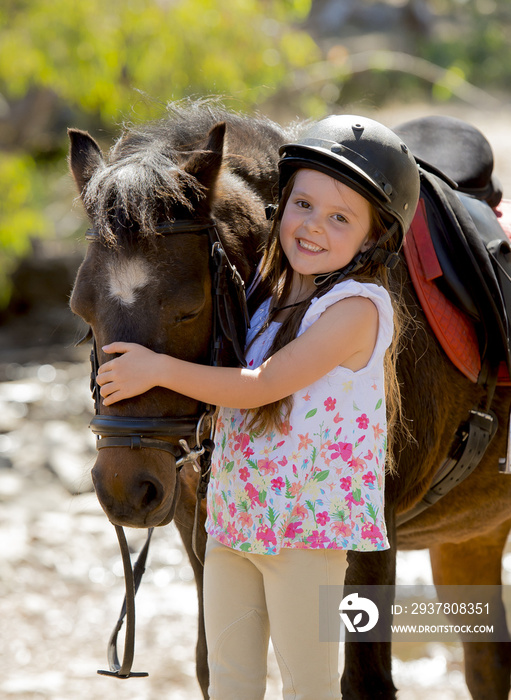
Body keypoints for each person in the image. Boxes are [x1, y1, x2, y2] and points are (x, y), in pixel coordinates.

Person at [96, 114, 420, 700]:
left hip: (303, 536)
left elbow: (262, 385)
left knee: (309, 688)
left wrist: (156, 367)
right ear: (280, 204)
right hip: (233, 523)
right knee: (230, 685)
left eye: (340, 217)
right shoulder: (264, 297)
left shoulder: (357, 309)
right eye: (303, 204)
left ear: (374, 238)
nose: (313, 226)